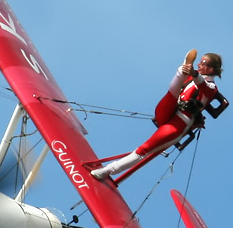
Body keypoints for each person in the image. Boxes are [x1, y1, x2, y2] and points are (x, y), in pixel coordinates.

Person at [91, 51, 223, 180]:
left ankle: (107, 170)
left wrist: (193, 73)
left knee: (144, 149)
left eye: (203, 63)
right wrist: (187, 71)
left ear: (211, 70)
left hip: (180, 121)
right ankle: (181, 70)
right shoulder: (192, 78)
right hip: (170, 109)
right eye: (199, 62)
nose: (199, 65)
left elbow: (204, 86)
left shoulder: (211, 87)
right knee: (176, 84)